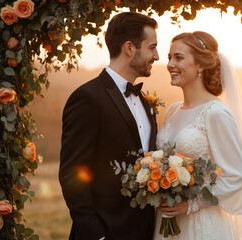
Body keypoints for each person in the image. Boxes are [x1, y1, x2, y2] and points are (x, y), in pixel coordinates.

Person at [59, 12, 159, 240]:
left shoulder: (145, 102)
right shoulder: (87, 98)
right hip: (105, 231)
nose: (157, 55)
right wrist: (97, 234)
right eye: (152, 47)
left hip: (144, 232)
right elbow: (71, 174)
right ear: (129, 48)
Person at [154, 31, 242, 240]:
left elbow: (236, 174)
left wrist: (191, 204)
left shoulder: (215, 112)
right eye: (169, 57)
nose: (170, 64)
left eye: (179, 57)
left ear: (200, 65)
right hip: (166, 220)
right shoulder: (173, 111)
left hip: (201, 224)